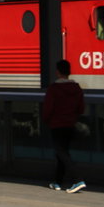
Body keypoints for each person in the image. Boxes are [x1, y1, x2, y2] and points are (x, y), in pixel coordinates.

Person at [41, 59, 86, 193]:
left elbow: (48, 108)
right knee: (63, 152)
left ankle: (78, 180)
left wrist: (45, 120)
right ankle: (57, 182)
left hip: (57, 124)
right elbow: (81, 108)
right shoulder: (76, 88)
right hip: (70, 123)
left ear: (58, 72)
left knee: (61, 152)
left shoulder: (54, 89)